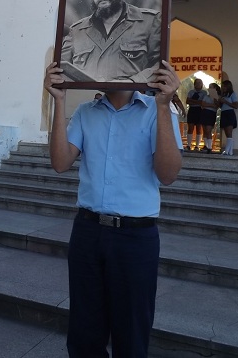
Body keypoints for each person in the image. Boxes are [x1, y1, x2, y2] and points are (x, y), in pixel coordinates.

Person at [44, 59, 182, 357]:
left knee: (131, 334)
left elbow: (168, 175)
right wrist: (58, 101)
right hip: (88, 231)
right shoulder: (85, 112)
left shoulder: (157, 111)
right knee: (84, 333)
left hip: (136, 237)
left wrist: (162, 105)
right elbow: (60, 163)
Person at [60, 0, 161, 83]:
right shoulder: (75, 31)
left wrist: (132, 82)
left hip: (131, 100)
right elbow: (63, 69)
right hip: (86, 100)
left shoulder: (150, 21)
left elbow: (159, 64)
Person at [199, 82, 221, 153]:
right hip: (204, 113)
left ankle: (209, 147)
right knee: (205, 130)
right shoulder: (206, 96)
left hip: (211, 113)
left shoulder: (217, 97)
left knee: (208, 130)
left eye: (211, 87)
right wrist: (210, 105)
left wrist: (209, 104)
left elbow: (216, 106)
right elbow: (202, 104)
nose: (210, 88)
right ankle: (206, 145)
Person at [185, 78, 206, 151]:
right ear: (194, 84)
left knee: (199, 128)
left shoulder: (204, 92)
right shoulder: (191, 92)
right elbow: (187, 101)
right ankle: (188, 145)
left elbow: (202, 102)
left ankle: (197, 146)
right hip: (192, 110)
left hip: (200, 110)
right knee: (190, 127)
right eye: (197, 83)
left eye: (200, 83)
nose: (198, 84)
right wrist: (197, 101)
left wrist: (193, 101)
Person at [218, 80, 238, 156]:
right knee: (226, 133)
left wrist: (226, 101)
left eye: (224, 86)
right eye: (222, 86)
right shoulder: (223, 95)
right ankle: (230, 152)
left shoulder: (232, 94)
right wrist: (219, 101)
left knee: (229, 133)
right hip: (223, 113)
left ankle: (226, 151)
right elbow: (220, 106)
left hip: (229, 113)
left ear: (228, 86)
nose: (222, 88)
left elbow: (236, 106)